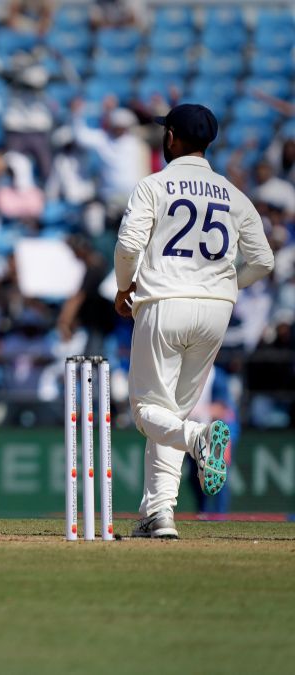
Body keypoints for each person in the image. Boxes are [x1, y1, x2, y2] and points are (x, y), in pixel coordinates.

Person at [114, 104, 274, 539]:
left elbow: (129, 246)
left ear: (170, 138)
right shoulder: (233, 194)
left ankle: (200, 438)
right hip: (216, 310)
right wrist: (226, 286)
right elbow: (263, 259)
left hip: (165, 300)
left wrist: (123, 287)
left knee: (148, 413)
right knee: (172, 412)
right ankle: (160, 514)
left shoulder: (153, 185)